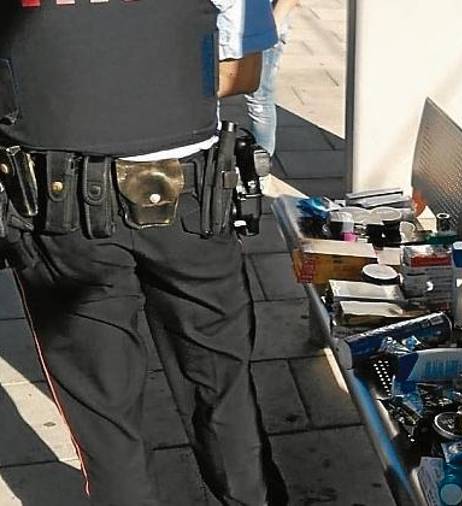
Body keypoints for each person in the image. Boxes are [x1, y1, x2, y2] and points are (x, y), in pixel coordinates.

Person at [0, 1, 287, 504]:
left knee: (103, 415)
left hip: (59, 205)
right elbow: (241, 72)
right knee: (223, 387)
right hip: (189, 197)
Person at [246, 0, 302, 156]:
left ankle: (259, 172)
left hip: (267, 20)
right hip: (228, 19)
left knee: (259, 98)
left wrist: (273, 25)